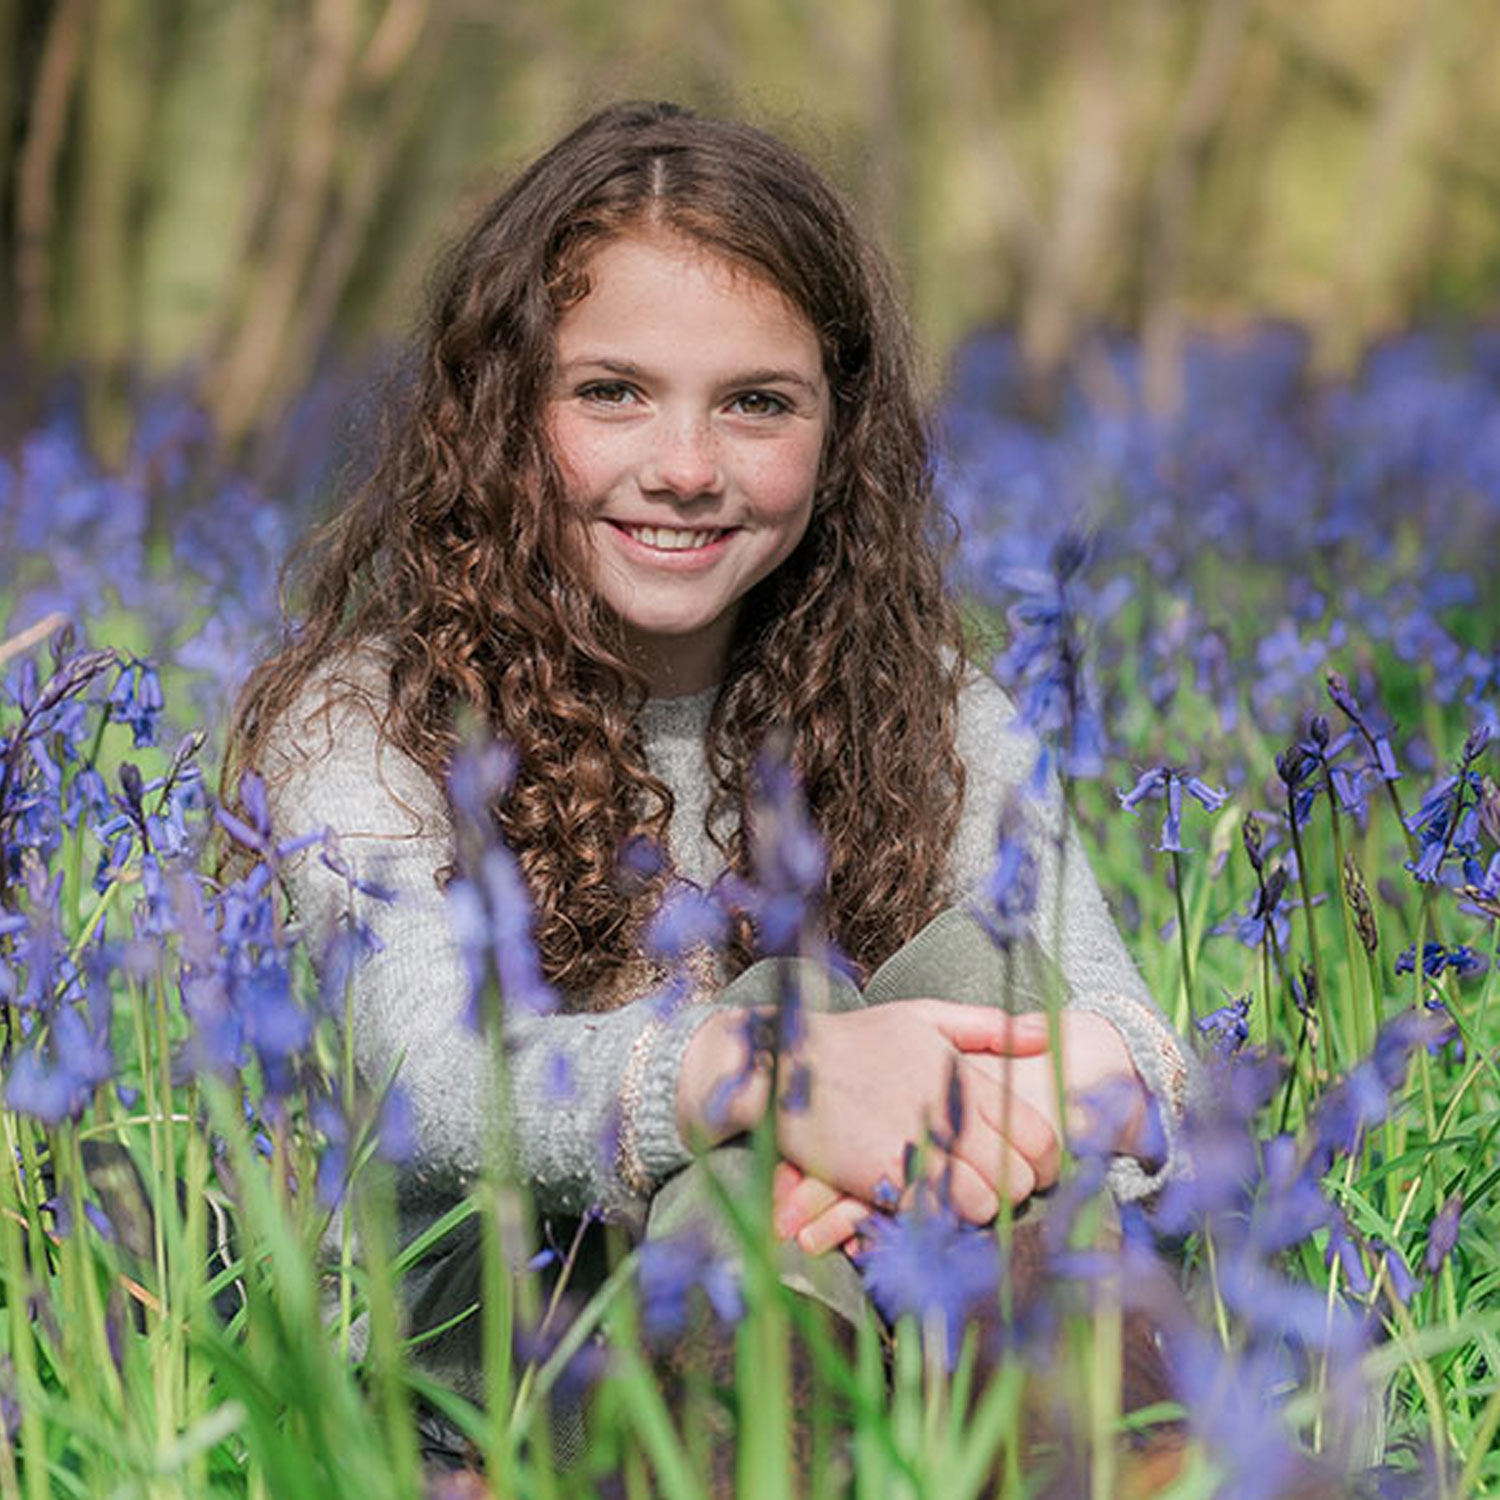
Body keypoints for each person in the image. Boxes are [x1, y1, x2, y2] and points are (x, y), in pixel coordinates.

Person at [228, 99, 1195, 1467]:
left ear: (838, 427)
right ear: (501, 407)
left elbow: (1146, 1055)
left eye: (755, 404)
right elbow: (427, 1076)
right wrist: (772, 1075)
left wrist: (965, 1117)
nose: (683, 469)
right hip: (514, 1391)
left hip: (908, 1324)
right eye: (609, 390)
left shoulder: (930, 706)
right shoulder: (373, 723)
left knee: (989, 965)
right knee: (781, 1005)